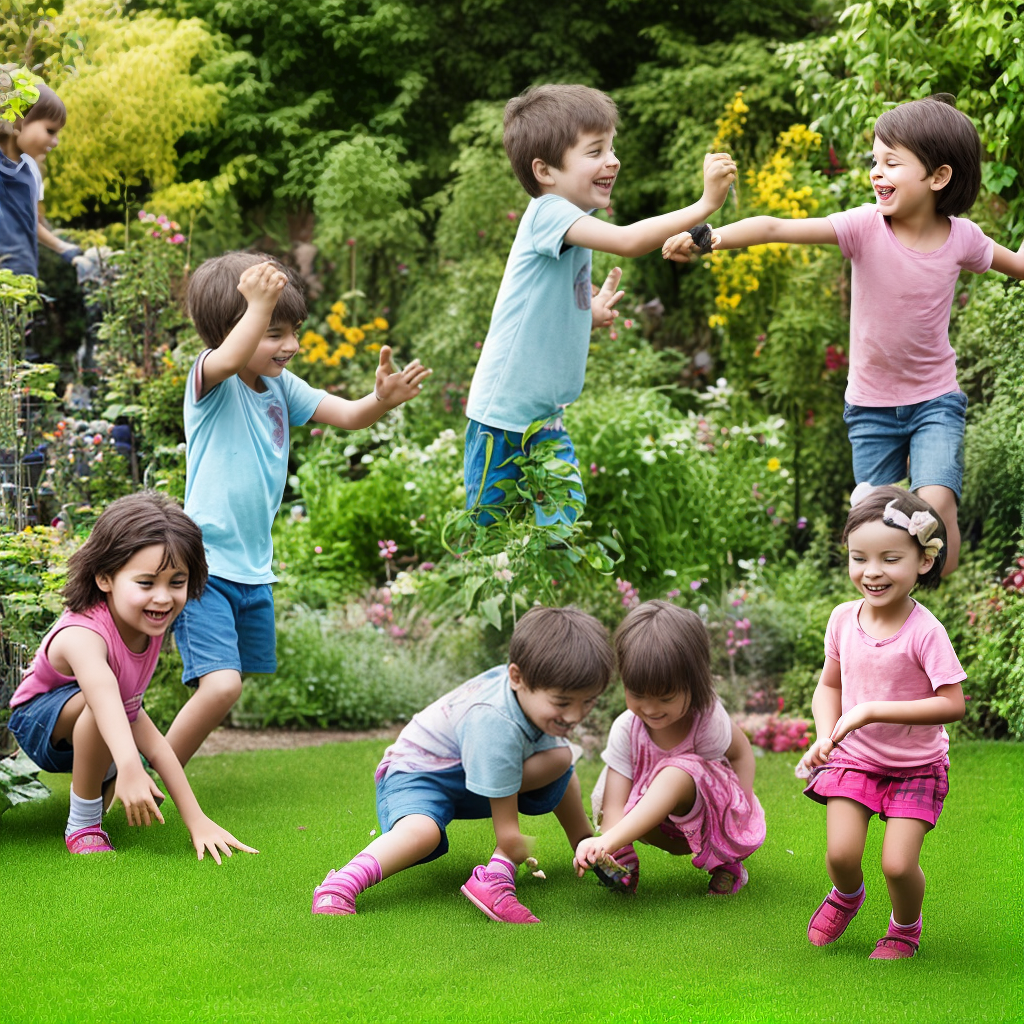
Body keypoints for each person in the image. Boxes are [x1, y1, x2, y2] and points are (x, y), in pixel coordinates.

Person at [663, 95, 1024, 576]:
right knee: (874, 524)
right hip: (871, 407)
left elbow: (1017, 266)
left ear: (938, 177)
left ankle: (941, 592)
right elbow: (774, 226)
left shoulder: (963, 238)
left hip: (935, 398)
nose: (877, 171)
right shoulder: (864, 227)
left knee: (935, 506)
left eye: (892, 162)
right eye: (874, 160)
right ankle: (892, 594)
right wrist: (713, 237)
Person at [163, 253, 431, 768]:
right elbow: (226, 356)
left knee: (226, 687)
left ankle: (142, 770)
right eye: (274, 331)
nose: (291, 345)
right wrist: (256, 308)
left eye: (294, 331)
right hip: (203, 568)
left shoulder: (282, 388)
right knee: (221, 688)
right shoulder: (211, 382)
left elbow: (350, 416)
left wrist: (382, 400)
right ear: (235, 327)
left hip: (251, 570)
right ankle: (146, 781)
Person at [464, 83, 736, 524]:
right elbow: (628, 241)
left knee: (560, 524)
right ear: (545, 171)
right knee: (492, 533)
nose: (613, 161)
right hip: (503, 419)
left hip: (544, 417)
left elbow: (539, 308)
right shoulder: (548, 212)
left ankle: (547, 590)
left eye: (611, 148)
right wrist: (705, 204)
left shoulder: (576, 221)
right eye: (595, 151)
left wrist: (585, 315)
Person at [311, 606, 615, 923]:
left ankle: (585, 843)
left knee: (561, 758)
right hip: (418, 773)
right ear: (517, 678)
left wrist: (600, 846)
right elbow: (507, 826)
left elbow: (525, 764)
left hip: (469, 770)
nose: (575, 716)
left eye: (588, 702)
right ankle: (341, 884)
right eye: (562, 703)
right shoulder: (493, 719)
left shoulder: (533, 695)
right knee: (422, 832)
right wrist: (509, 849)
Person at [7, 492, 257, 861]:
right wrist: (128, 766)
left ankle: (107, 777)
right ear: (105, 577)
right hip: (40, 722)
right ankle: (84, 824)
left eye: (177, 582)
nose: (163, 597)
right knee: (101, 710)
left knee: (130, 727)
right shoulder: (83, 634)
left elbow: (147, 733)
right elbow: (103, 694)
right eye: (146, 583)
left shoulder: (145, 624)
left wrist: (197, 819)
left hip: (108, 715)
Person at [796, 484, 965, 959]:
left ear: (923, 562)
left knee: (896, 864)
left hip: (917, 765)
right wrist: (828, 734)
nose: (872, 572)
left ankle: (904, 928)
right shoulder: (842, 620)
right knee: (841, 855)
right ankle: (848, 895)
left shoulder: (926, 632)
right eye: (859, 557)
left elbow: (952, 703)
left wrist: (869, 711)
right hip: (857, 759)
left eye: (890, 558)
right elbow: (830, 686)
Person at [574, 601, 765, 896]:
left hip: (706, 816)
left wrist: (742, 809)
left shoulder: (707, 720)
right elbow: (614, 800)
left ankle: (727, 863)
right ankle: (622, 862)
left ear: (694, 682)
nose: (650, 708)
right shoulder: (627, 728)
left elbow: (741, 753)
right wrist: (609, 845)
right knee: (616, 807)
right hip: (658, 825)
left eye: (665, 697)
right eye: (637, 694)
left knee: (676, 772)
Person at [0, 82, 79, 277]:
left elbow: (29, 221)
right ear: (18, 122)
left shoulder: (31, 171)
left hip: (24, 275)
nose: (55, 141)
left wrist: (65, 249)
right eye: (50, 131)